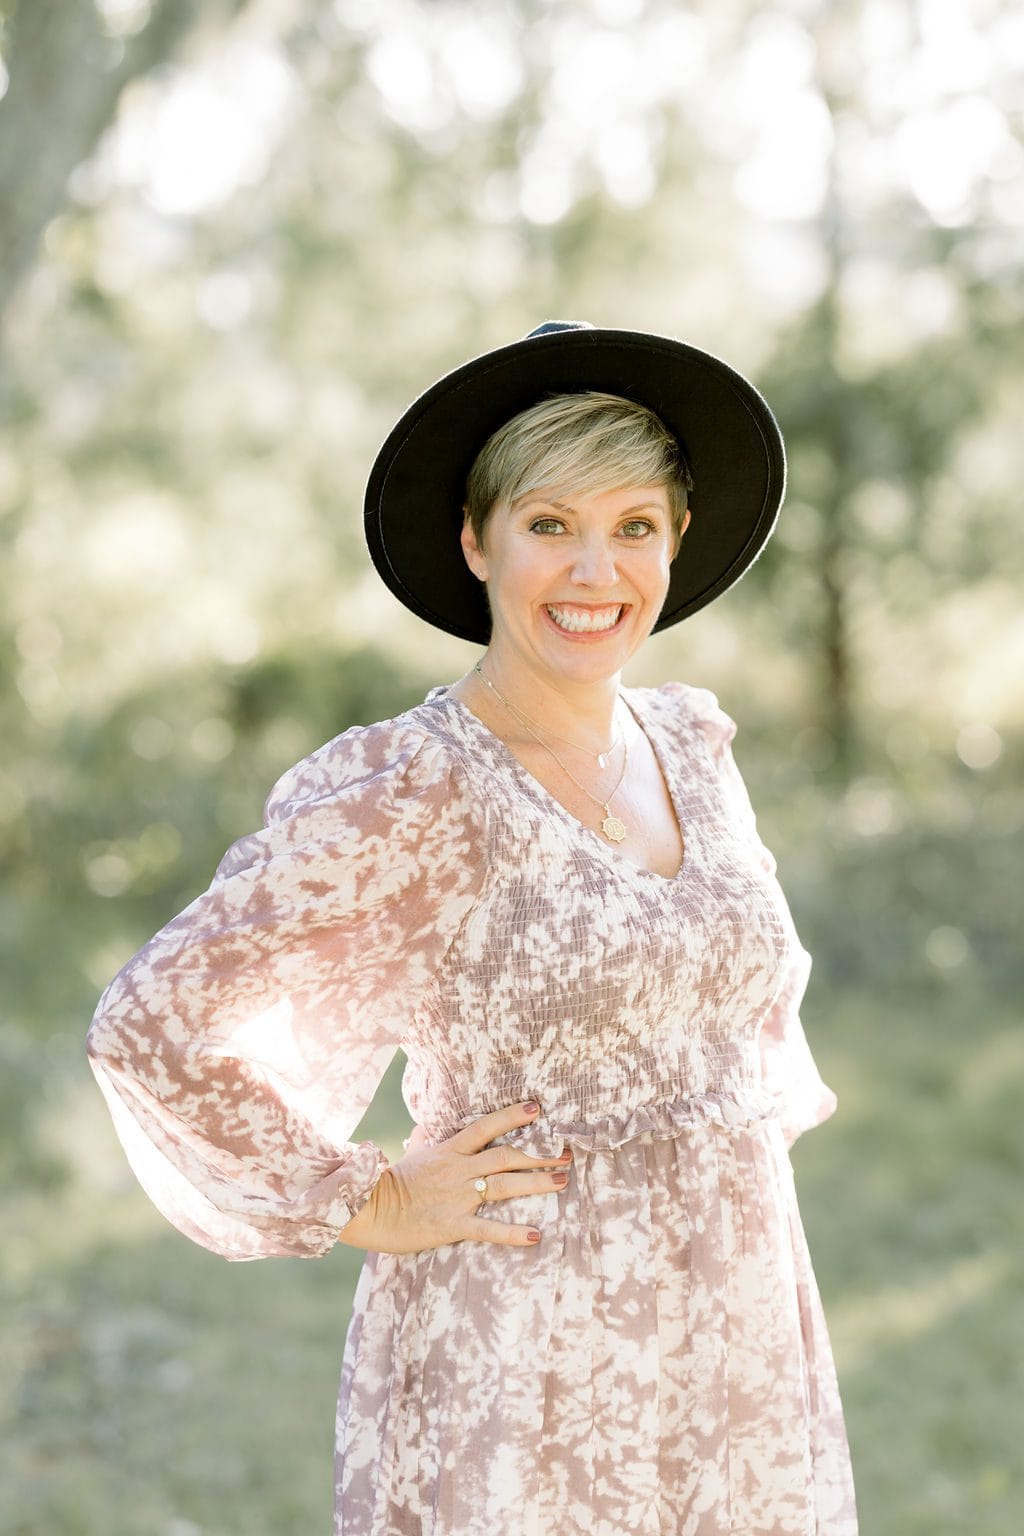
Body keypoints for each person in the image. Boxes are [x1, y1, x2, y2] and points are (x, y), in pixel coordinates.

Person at [86, 321, 859, 1535]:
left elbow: (730, 1018)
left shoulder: (695, 751)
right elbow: (151, 1022)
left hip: (736, 1317)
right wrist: (368, 1195)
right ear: (475, 542)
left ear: (675, 543)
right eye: (549, 525)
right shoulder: (416, 787)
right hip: (525, 1337)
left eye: (633, 527)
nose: (595, 570)